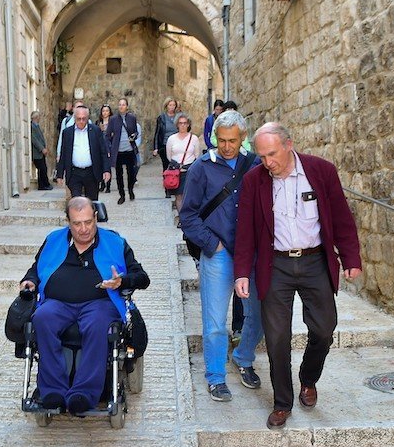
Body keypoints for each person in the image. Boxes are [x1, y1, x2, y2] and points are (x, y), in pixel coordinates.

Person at [234, 122, 362, 429]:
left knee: (324, 329)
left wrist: (350, 257)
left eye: (272, 154)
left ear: (289, 145)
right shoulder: (255, 180)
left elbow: (342, 217)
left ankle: (309, 378)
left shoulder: (322, 171)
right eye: (261, 156)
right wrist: (241, 272)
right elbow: (246, 230)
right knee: (277, 338)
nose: (267, 162)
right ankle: (282, 403)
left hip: (315, 261)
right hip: (275, 265)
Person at [20, 197, 150, 413]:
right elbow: (36, 268)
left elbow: (142, 277)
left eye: (88, 222)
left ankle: (85, 392)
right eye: (77, 223)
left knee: (98, 324)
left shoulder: (115, 243)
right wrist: (30, 280)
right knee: (42, 318)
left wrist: (123, 281)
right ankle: (53, 390)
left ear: (96, 218)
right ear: (68, 222)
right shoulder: (54, 240)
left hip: (99, 303)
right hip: (58, 303)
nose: (83, 229)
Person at [180, 111, 263, 402]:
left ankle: (243, 357)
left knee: (260, 315)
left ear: (244, 138)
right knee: (215, 322)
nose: (227, 146)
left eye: (233, 140)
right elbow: (187, 216)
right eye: (222, 140)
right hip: (218, 254)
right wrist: (211, 244)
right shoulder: (201, 168)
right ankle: (215, 376)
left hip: (251, 254)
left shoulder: (255, 165)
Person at [56, 105, 110, 200]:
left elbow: (103, 152)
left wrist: (106, 170)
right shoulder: (67, 133)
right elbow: (64, 154)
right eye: (78, 119)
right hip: (74, 173)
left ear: (87, 118)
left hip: (91, 173)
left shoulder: (95, 131)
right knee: (76, 203)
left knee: (92, 203)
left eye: (84, 119)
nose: (81, 121)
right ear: (74, 118)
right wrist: (60, 174)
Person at [106, 97, 140, 205]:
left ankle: (130, 189)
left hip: (129, 149)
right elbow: (107, 135)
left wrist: (134, 136)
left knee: (131, 173)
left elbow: (135, 132)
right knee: (119, 174)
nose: (121, 106)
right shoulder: (113, 119)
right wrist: (109, 148)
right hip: (118, 151)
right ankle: (122, 195)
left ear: (127, 106)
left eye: (123, 104)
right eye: (120, 104)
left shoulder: (132, 118)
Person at [165, 112, 199, 215]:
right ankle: (182, 217)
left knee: (188, 195)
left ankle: (188, 215)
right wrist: (176, 165)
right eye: (180, 123)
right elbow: (169, 155)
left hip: (189, 170)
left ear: (188, 124)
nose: (183, 125)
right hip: (176, 172)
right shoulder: (171, 139)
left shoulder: (194, 139)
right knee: (178, 196)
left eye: (185, 123)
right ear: (177, 124)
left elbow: (197, 156)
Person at [152, 97, 180, 198]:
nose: (172, 107)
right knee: (166, 166)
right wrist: (155, 147)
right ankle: (168, 188)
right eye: (170, 105)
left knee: (176, 166)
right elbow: (157, 133)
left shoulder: (178, 117)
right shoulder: (161, 118)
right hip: (164, 145)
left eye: (173, 105)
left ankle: (176, 186)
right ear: (166, 106)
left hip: (176, 145)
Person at [56, 100, 87, 165]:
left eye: (81, 107)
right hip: (69, 151)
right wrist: (59, 153)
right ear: (73, 109)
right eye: (77, 107)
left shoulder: (88, 122)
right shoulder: (66, 121)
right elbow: (61, 137)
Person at [30, 111, 53, 190]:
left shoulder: (36, 126)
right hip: (37, 152)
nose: (39, 118)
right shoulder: (32, 127)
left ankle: (45, 184)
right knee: (42, 168)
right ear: (36, 118)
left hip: (40, 153)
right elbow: (34, 140)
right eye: (38, 117)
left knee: (43, 168)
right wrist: (42, 148)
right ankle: (43, 185)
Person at [96, 104, 113, 194]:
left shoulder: (112, 122)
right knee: (100, 166)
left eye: (107, 111)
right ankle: (102, 184)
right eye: (103, 111)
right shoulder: (98, 123)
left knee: (107, 166)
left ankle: (108, 185)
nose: (105, 112)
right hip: (99, 146)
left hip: (108, 146)